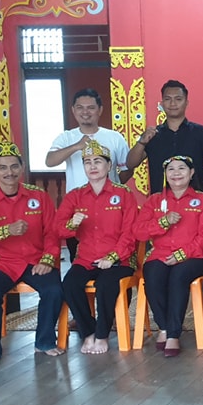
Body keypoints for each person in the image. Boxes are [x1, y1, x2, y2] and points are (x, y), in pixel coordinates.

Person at [0, 142, 64, 367]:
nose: (9, 172)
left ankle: (44, 341)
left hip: (36, 260)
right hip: (2, 263)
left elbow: (52, 232)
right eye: (3, 167)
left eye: (14, 166)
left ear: (22, 166)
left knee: (54, 290)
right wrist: (3, 231)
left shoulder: (39, 196)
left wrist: (48, 259)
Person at [58, 140, 138, 354]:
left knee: (106, 284)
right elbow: (59, 229)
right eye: (88, 162)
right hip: (86, 258)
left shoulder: (123, 194)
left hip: (119, 260)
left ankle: (102, 335)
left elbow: (130, 232)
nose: (92, 166)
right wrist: (71, 224)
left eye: (98, 161)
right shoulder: (75, 196)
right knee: (70, 284)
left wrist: (112, 257)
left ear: (109, 165)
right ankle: (88, 333)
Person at [133, 156, 203, 356]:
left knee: (179, 275)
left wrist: (183, 254)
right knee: (153, 274)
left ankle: (173, 334)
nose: (176, 173)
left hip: (196, 256)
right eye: (171, 169)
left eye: (181, 168)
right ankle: (164, 327)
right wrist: (162, 222)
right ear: (165, 174)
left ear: (192, 173)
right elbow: (139, 232)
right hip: (161, 254)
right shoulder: (154, 200)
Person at [47, 88, 131, 261]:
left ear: (100, 110)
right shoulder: (66, 137)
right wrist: (76, 146)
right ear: (73, 110)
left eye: (91, 107)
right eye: (80, 107)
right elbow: (50, 161)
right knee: (78, 259)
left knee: (114, 256)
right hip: (77, 206)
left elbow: (127, 169)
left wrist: (113, 185)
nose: (85, 112)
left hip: (111, 206)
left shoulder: (114, 137)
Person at [125, 80, 203, 194]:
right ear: (162, 104)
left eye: (178, 99)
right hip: (160, 199)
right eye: (167, 99)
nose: (173, 103)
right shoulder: (152, 135)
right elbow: (130, 164)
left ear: (186, 103)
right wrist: (141, 142)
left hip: (194, 199)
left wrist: (197, 182)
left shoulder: (202, 133)